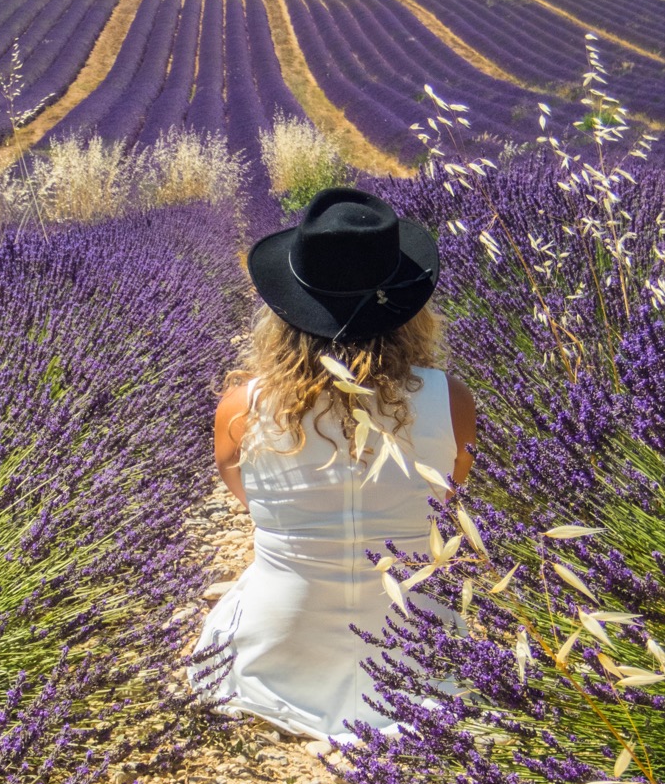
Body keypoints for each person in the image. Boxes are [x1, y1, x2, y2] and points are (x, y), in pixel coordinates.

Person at [189, 188, 476, 742]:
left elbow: (246, 491)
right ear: (408, 311)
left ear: (286, 311)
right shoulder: (452, 400)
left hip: (281, 643)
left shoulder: (241, 408)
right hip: (410, 645)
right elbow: (448, 497)